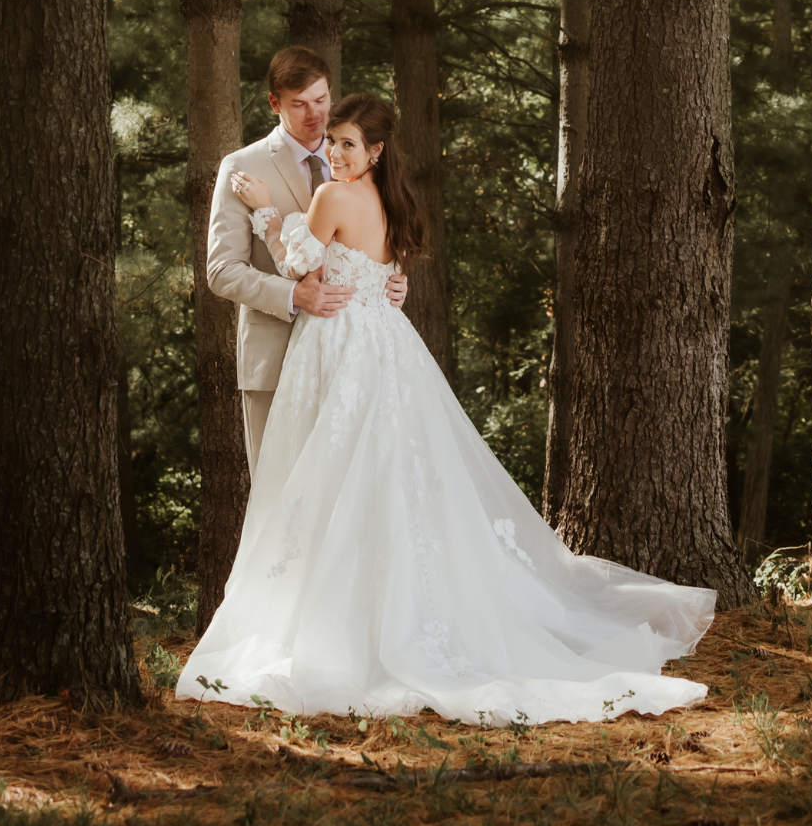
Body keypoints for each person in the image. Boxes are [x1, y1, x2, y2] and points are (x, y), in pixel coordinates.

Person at [179, 93, 715, 726]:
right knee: (380, 481)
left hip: (343, 344)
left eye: (349, 143)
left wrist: (267, 212)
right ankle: (376, 612)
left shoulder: (331, 197)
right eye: (333, 142)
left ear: (375, 151)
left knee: (336, 476)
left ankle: (346, 623)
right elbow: (384, 272)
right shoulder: (391, 199)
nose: (334, 152)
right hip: (386, 347)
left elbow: (299, 263)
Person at [206, 47, 406, 475]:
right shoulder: (241, 167)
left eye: (321, 100)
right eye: (299, 104)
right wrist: (294, 294)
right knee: (283, 500)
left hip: (353, 364)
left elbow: (376, 240)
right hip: (274, 360)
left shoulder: (360, 162)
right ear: (275, 103)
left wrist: (394, 278)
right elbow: (221, 271)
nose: (315, 114)